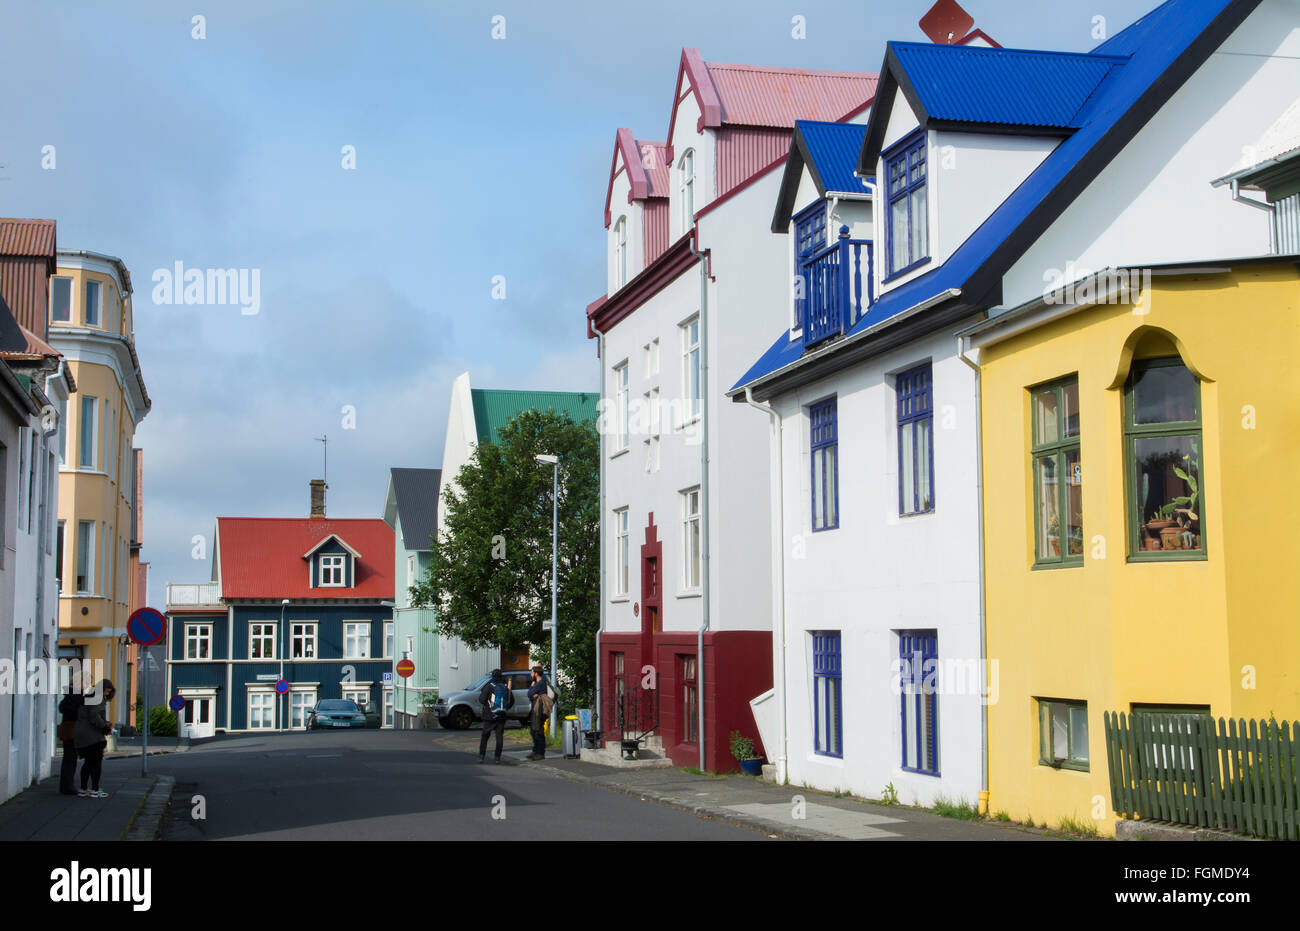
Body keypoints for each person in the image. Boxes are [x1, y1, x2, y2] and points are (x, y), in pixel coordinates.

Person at [75, 680, 116, 798]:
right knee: (96, 763)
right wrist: (105, 726)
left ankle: (83, 789)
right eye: (106, 691)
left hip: (82, 734)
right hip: (92, 736)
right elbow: (94, 716)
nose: (106, 695)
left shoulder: (89, 697)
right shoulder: (97, 699)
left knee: (88, 762)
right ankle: (95, 789)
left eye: (108, 692)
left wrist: (105, 723)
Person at [477, 669, 513, 764]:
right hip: (501, 716)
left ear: (492, 676)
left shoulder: (489, 686)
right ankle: (497, 758)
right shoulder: (506, 687)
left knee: (485, 736)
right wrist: (504, 708)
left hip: (489, 715)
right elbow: (511, 701)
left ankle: (481, 756)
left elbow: (481, 699)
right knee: (499, 737)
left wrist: (488, 705)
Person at [57, 683, 85, 796]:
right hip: (73, 730)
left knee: (68, 758)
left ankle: (65, 785)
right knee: (71, 758)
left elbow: (62, 709)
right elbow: (78, 712)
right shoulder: (76, 697)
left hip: (67, 730)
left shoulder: (67, 697)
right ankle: (68, 785)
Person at [526, 665, 556, 761]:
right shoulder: (537, 683)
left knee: (538, 731)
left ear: (536, 673)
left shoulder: (540, 683)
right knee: (533, 730)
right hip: (535, 709)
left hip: (539, 710)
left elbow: (529, 694)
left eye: (532, 672)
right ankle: (535, 750)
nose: (531, 674)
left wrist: (531, 689)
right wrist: (532, 693)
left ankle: (540, 753)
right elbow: (531, 695)